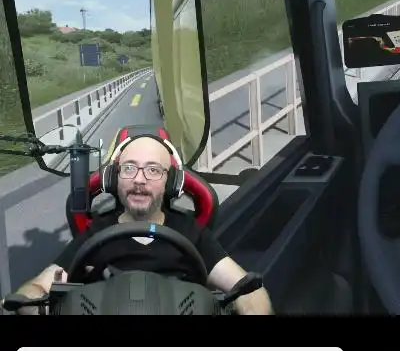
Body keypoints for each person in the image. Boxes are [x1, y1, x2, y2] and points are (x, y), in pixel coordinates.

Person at [12, 133, 273, 315]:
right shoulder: (95, 233)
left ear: (170, 182)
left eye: (153, 170)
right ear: (115, 178)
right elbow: (36, 288)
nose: (139, 179)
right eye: (129, 168)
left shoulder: (191, 232)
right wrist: (32, 303)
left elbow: (248, 290)